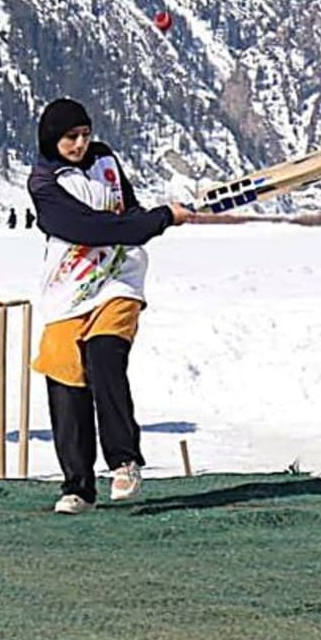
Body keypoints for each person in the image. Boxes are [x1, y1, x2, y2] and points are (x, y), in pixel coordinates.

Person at [27, 98, 193, 514]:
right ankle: (78, 486)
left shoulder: (106, 160)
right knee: (64, 373)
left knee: (105, 353)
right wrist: (158, 220)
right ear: (53, 139)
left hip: (120, 275)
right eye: (71, 137)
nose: (81, 143)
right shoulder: (45, 183)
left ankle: (124, 461)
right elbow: (88, 228)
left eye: (85, 134)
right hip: (71, 284)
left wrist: (155, 217)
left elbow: (126, 209)